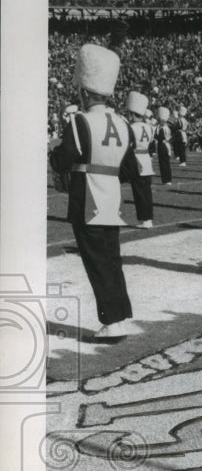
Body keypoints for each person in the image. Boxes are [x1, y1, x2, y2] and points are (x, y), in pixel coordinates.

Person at [48, 43, 137, 339]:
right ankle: (121, 314)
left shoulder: (80, 120)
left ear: (85, 92)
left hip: (88, 196)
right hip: (112, 197)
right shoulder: (123, 123)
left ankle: (112, 320)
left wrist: (55, 154)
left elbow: (64, 158)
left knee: (97, 261)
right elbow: (129, 169)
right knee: (111, 257)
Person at [125, 90, 155, 228]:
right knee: (146, 191)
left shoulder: (131, 127)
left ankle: (144, 219)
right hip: (146, 159)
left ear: (131, 114)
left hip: (136, 160)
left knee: (139, 192)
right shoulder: (149, 127)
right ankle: (147, 218)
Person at [155, 106, 173, 186]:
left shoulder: (165, 127)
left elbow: (160, 136)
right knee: (162, 163)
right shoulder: (160, 127)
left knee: (165, 163)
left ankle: (167, 179)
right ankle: (165, 179)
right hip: (161, 145)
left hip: (164, 145)